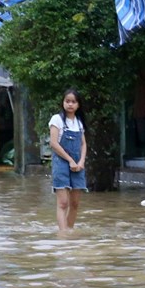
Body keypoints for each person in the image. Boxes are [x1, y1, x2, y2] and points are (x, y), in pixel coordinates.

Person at [49, 88, 88, 232]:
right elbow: (53, 143)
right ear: (63, 102)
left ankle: (69, 230)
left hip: (78, 164)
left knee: (75, 203)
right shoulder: (56, 119)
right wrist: (70, 160)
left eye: (73, 102)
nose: (70, 104)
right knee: (63, 203)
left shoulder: (79, 122)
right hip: (61, 163)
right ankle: (63, 234)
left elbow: (83, 144)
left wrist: (81, 161)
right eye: (67, 101)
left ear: (78, 105)